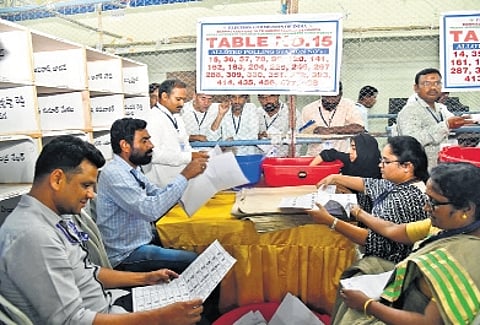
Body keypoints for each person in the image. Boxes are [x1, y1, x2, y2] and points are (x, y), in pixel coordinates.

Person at [0, 134, 204, 324]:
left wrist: (145, 278)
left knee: (191, 301)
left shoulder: (53, 217)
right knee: (195, 314)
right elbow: (72, 320)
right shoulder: (34, 236)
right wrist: (160, 318)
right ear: (57, 179)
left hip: (108, 304)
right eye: (86, 185)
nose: (92, 195)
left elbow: (87, 271)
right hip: (103, 315)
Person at [333, 162, 480, 325]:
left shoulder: (468, 257)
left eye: (434, 203)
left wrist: (367, 305)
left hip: (412, 317)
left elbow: (428, 322)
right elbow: (392, 229)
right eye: (427, 199)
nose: (425, 208)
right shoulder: (443, 227)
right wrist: (358, 213)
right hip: (405, 298)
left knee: (352, 313)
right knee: (363, 269)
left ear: (466, 209)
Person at [96, 118, 207, 273]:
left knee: (193, 240)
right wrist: (185, 175)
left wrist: (192, 183)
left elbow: (157, 194)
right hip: (126, 255)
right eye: (144, 141)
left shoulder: (132, 170)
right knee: (198, 261)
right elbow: (151, 211)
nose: (151, 145)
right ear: (125, 146)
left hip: (141, 240)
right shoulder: (115, 174)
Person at [308, 136, 429, 265]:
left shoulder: (407, 198)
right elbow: (369, 184)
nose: (380, 165)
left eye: (386, 162)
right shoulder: (398, 184)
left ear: (407, 166)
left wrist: (331, 221)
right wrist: (335, 178)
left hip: (390, 266)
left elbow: (374, 241)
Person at [397, 68, 469, 169]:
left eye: (437, 83)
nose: (433, 88)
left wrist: (469, 120)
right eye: (427, 84)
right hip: (420, 170)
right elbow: (412, 140)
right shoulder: (409, 111)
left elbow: (454, 121)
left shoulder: (441, 108)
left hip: (442, 167)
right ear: (416, 88)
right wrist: (446, 126)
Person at [144, 79, 209, 187]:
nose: (182, 104)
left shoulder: (176, 116)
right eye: (178, 99)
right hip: (161, 184)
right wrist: (190, 156)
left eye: (184, 99)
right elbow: (153, 155)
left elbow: (183, 145)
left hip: (178, 179)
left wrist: (198, 154)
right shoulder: (153, 119)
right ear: (164, 96)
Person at [309, 133, 381, 213]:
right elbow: (328, 154)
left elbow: (368, 199)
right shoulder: (350, 160)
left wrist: (342, 185)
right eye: (351, 147)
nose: (350, 152)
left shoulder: (380, 170)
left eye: (354, 149)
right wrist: (310, 168)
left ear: (364, 150)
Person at [301, 81, 365, 156]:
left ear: (341, 94)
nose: (331, 101)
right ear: (321, 94)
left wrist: (330, 130)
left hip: (341, 155)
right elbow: (304, 133)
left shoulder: (348, 105)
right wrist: (315, 131)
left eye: (334, 97)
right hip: (315, 155)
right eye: (327, 97)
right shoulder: (308, 109)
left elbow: (359, 128)